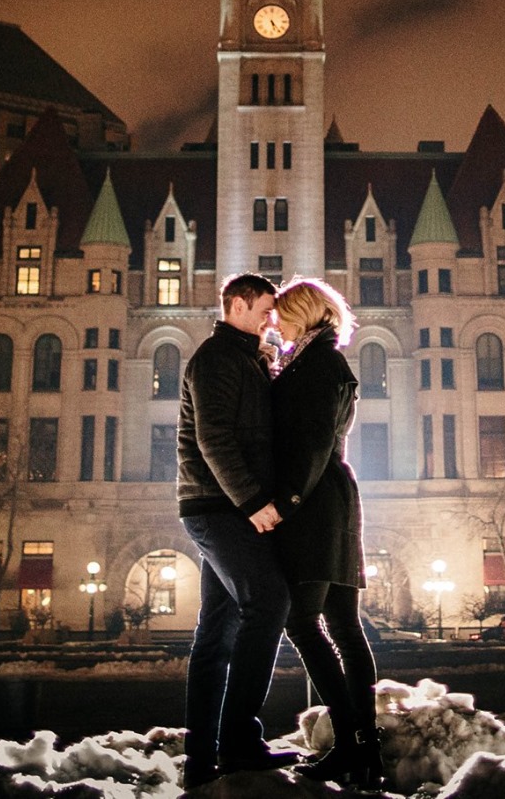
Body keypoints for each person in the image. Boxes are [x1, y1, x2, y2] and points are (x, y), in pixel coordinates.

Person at [178, 273, 294, 788]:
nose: (274, 319)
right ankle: (239, 742)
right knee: (268, 602)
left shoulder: (247, 357)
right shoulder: (217, 358)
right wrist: (253, 502)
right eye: (268, 309)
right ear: (240, 305)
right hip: (219, 507)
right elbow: (214, 438)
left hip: (221, 506)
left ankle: (203, 756)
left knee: (217, 631)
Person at [267, 278, 382, 790]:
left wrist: (287, 501)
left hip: (315, 502)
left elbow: (312, 441)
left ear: (305, 313)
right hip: (333, 496)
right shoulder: (318, 359)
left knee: (304, 620)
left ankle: (352, 742)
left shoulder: (318, 364)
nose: (276, 324)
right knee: (342, 626)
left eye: (283, 315)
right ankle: (364, 750)